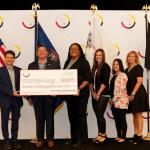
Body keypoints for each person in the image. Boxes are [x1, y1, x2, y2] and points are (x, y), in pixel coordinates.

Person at [27, 45, 60, 148]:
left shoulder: (54, 64)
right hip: (37, 98)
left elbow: (58, 80)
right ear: (37, 53)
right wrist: (29, 97)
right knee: (39, 119)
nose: (41, 52)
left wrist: (56, 91)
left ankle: (50, 139)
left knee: (50, 118)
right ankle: (40, 139)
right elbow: (28, 83)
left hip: (50, 97)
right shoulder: (31, 66)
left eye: (43, 50)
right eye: (39, 51)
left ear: (47, 52)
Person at [63, 43, 91, 147]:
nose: (73, 50)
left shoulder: (84, 62)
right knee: (72, 117)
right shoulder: (67, 62)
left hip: (81, 94)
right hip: (70, 95)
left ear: (80, 51)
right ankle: (73, 138)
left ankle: (82, 139)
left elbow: (88, 79)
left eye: (75, 48)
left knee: (80, 116)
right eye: (71, 49)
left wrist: (79, 88)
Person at [0, 50, 23, 150]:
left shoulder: (19, 70)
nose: (9, 59)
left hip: (17, 100)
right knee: (4, 122)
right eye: (8, 57)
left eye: (11, 58)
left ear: (14, 59)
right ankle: (6, 141)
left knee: (15, 122)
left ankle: (14, 141)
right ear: (5, 59)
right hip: (5, 100)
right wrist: (11, 92)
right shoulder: (0, 71)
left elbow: (23, 84)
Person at [125, 51, 148, 144]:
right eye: (129, 56)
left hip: (138, 93)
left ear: (136, 58)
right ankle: (135, 134)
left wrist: (133, 94)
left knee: (138, 114)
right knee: (134, 114)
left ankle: (139, 135)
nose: (130, 58)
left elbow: (139, 82)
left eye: (133, 57)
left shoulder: (138, 67)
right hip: (131, 94)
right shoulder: (126, 70)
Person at [90, 49, 110, 143]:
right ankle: (100, 133)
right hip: (94, 94)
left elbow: (105, 81)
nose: (98, 56)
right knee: (98, 115)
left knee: (99, 114)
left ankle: (103, 134)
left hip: (103, 94)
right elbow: (90, 81)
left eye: (100, 55)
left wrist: (98, 93)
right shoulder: (94, 67)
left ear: (103, 56)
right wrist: (93, 93)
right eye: (97, 55)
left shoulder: (106, 66)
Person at [109, 59, 129, 143]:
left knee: (122, 119)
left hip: (121, 101)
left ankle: (123, 137)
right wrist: (111, 100)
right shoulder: (113, 76)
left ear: (120, 65)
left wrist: (113, 100)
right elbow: (112, 89)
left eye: (117, 64)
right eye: (114, 64)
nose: (115, 66)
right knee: (117, 119)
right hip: (114, 101)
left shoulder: (123, 75)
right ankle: (119, 136)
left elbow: (121, 90)